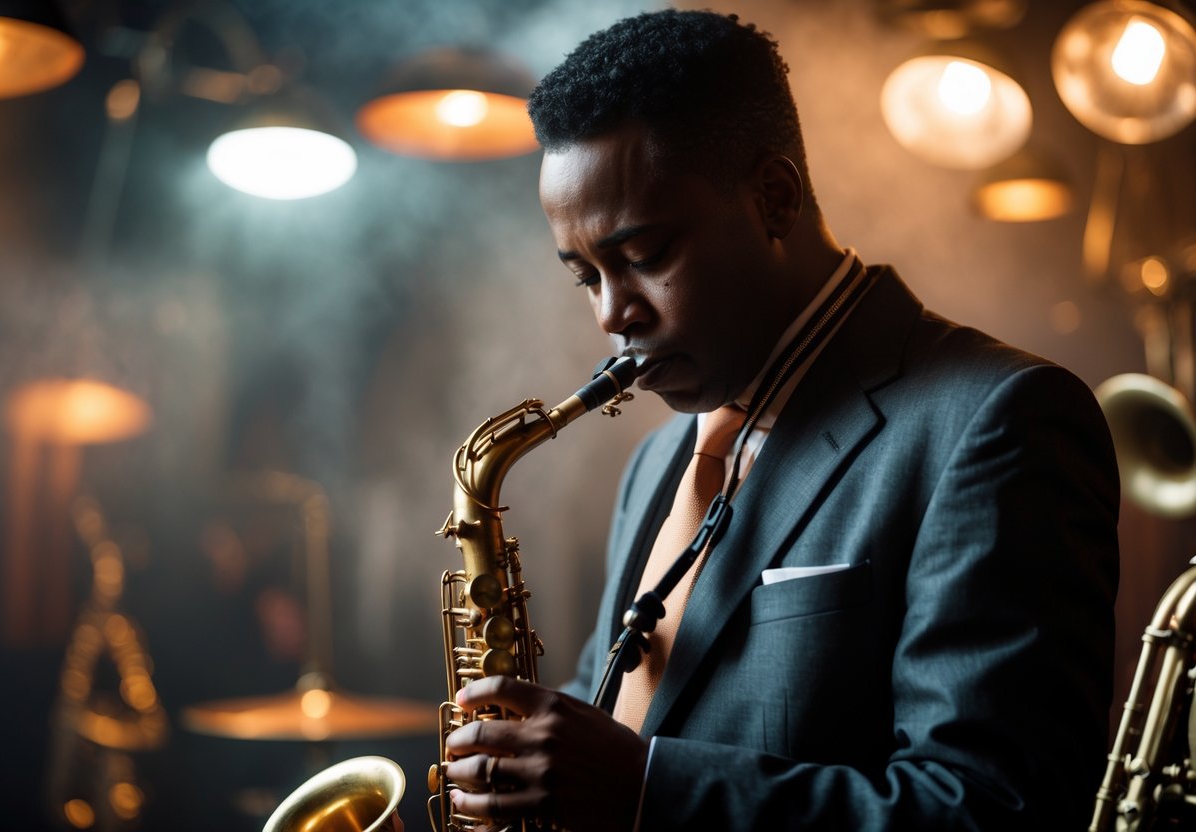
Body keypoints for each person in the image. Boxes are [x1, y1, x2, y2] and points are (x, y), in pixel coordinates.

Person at [443, 9, 1120, 830]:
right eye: (584, 276)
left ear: (774, 198)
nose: (611, 315)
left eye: (644, 256)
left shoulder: (997, 419)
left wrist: (647, 789)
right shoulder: (656, 465)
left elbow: (995, 809)